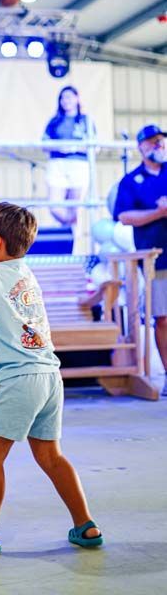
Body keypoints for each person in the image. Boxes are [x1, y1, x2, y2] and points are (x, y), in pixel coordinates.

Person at [0, 202, 103, 554]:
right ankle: (85, 524)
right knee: (51, 456)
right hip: (47, 376)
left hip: (14, 380)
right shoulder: (25, 273)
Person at [114, 124, 167, 397]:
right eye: (153, 142)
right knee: (163, 318)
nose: (159, 146)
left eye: (161, 141)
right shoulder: (131, 181)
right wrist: (159, 213)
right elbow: (124, 217)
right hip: (157, 259)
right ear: (141, 147)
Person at [42, 86, 95, 227]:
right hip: (57, 164)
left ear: (77, 99)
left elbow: (95, 147)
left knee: (74, 208)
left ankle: (71, 238)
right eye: (63, 98)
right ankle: (66, 227)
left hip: (78, 165)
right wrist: (60, 147)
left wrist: (74, 147)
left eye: (69, 97)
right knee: (54, 206)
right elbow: (44, 144)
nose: (66, 101)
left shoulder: (86, 120)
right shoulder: (54, 121)